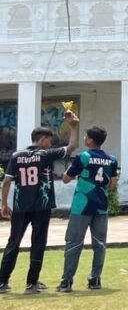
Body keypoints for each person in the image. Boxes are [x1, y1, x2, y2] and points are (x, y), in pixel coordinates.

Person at [0, 110, 79, 294]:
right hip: (42, 206)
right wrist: (73, 127)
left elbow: (7, 182)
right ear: (42, 140)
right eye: (49, 141)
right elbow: (71, 147)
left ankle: (2, 281)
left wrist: (4, 203)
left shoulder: (16, 156)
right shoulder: (46, 154)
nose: (50, 144)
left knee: (13, 242)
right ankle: (31, 283)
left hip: (20, 206)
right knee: (38, 243)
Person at [58, 124, 119, 292]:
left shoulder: (82, 157)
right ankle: (95, 279)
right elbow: (113, 185)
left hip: (82, 206)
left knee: (74, 243)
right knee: (99, 244)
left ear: (91, 140)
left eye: (86, 136)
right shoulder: (112, 159)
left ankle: (66, 281)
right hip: (101, 206)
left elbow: (66, 179)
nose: (84, 138)